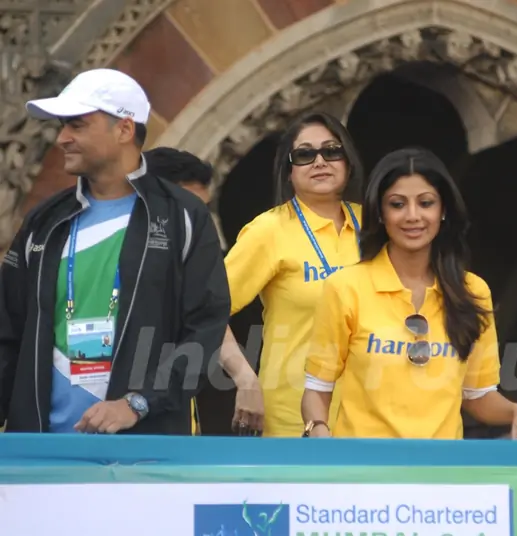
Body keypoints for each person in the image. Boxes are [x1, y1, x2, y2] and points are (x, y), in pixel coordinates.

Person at [0, 68, 230, 434]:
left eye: (76, 125)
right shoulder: (44, 219)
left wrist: (139, 403)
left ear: (124, 129)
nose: (62, 138)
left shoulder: (183, 215)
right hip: (41, 454)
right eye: (62, 126)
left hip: (143, 454)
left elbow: (205, 329)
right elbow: (7, 333)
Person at [300, 147, 517, 439]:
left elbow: (478, 396)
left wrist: (516, 411)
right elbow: (317, 391)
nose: (412, 216)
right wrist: (318, 431)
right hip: (362, 472)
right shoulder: (345, 287)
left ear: (443, 212)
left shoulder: (472, 291)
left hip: (441, 474)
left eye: (426, 203)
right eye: (398, 204)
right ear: (380, 212)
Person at [221, 111, 364, 437]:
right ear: (288, 171)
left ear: (349, 162)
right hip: (293, 420)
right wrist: (244, 378)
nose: (320, 161)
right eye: (304, 154)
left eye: (332, 151)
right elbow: (204, 308)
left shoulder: (375, 226)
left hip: (372, 418)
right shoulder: (269, 231)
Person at [145, 147, 263, 435]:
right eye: (191, 209)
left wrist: (246, 379)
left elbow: (208, 314)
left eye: (204, 211)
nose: (201, 223)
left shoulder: (185, 262)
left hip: (174, 425)